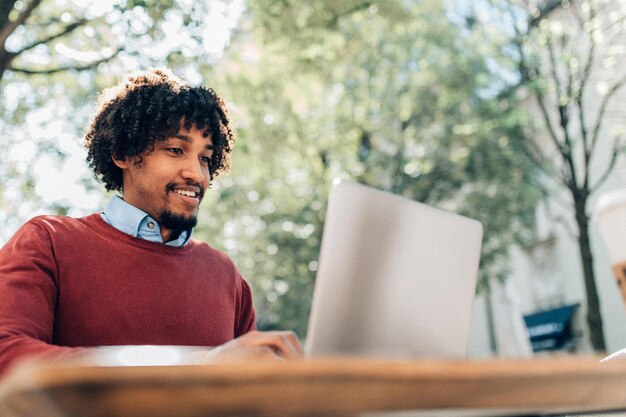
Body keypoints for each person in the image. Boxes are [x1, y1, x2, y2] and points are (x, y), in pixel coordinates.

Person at [0, 68, 303, 378]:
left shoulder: (227, 277)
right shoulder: (48, 242)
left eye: (205, 159)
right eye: (175, 150)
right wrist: (194, 368)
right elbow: (8, 356)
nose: (196, 175)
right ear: (123, 153)